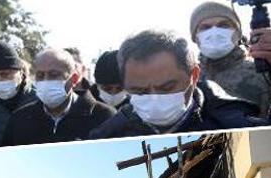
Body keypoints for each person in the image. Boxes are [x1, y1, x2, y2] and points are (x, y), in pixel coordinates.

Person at [91, 30, 267, 138]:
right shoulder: (104, 136)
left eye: (167, 88)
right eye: (140, 91)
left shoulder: (242, 126)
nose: (154, 100)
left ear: (194, 75)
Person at [2, 48, 115, 146]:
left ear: (74, 79)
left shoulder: (104, 117)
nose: (46, 80)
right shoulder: (19, 120)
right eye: (40, 75)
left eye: (54, 75)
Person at [190, 1, 270, 115]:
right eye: (205, 27)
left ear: (238, 33)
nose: (214, 32)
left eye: (223, 25)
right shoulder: (187, 80)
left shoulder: (263, 72)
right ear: (195, 38)